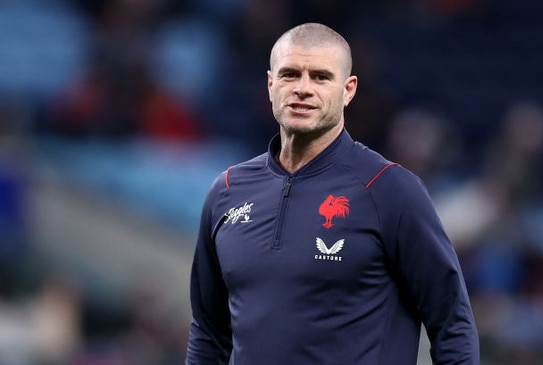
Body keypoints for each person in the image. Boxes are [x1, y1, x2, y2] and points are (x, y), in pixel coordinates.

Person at [184, 22, 479, 364]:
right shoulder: (228, 191)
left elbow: (452, 324)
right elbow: (208, 332)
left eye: (321, 77)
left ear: (348, 89)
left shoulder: (390, 189)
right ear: (270, 84)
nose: (303, 89)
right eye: (290, 74)